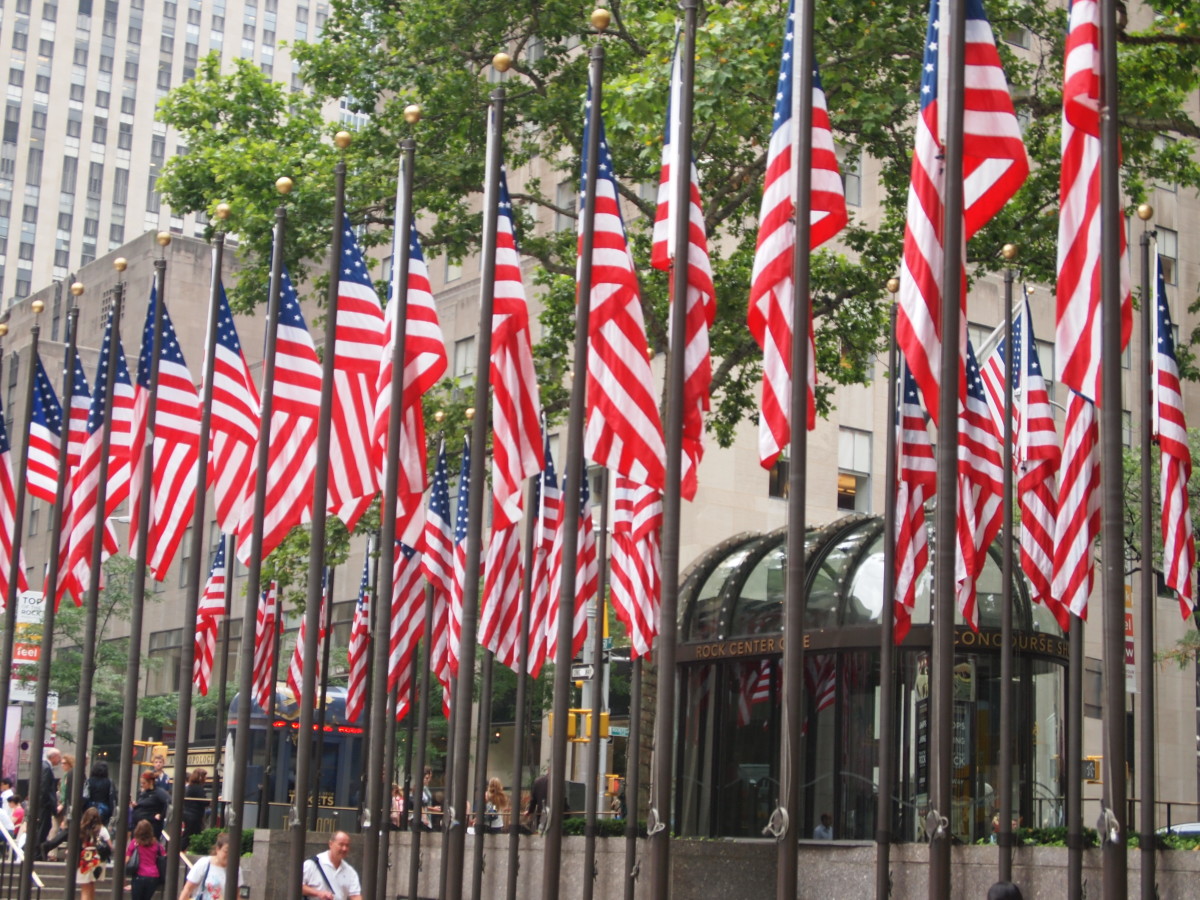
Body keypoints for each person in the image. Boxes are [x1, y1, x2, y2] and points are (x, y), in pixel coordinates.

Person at [178, 831, 242, 900]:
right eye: (226, 851)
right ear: (218, 849)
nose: (229, 855)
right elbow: (187, 889)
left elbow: (237, 896)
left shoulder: (236, 869)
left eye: (233, 852)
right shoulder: (204, 863)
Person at [300, 831, 361, 900]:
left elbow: (355, 895)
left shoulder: (350, 872)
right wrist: (318, 893)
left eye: (347, 845)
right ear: (331, 844)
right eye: (341, 844)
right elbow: (297, 886)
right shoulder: (312, 864)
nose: (344, 849)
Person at [126, 819, 166, 900]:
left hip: (139, 876)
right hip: (153, 876)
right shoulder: (156, 844)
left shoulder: (134, 843)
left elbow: (126, 860)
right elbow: (164, 856)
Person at [77, 806, 112, 900]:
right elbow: (110, 845)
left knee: (85, 888)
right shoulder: (102, 829)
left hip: (85, 859)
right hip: (98, 859)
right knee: (92, 885)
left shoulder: (82, 828)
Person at [36, 749, 62, 858]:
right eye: (59, 757)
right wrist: (48, 804)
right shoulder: (46, 768)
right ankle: (37, 853)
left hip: (44, 805)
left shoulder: (44, 766)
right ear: (53, 757)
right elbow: (45, 788)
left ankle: (38, 853)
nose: (60, 760)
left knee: (44, 827)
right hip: (44, 806)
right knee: (43, 828)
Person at [131, 770, 171, 839]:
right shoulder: (143, 792)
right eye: (141, 783)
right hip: (139, 826)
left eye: (144, 783)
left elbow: (168, 801)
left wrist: (161, 815)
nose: (142, 785)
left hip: (150, 828)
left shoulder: (159, 792)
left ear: (151, 782)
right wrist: (136, 805)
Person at [180, 769, 209, 852]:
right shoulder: (198, 788)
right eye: (204, 777)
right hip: (194, 815)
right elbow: (204, 802)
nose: (206, 779)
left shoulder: (190, 787)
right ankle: (180, 850)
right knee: (189, 835)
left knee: (191, 834)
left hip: (188, 814)